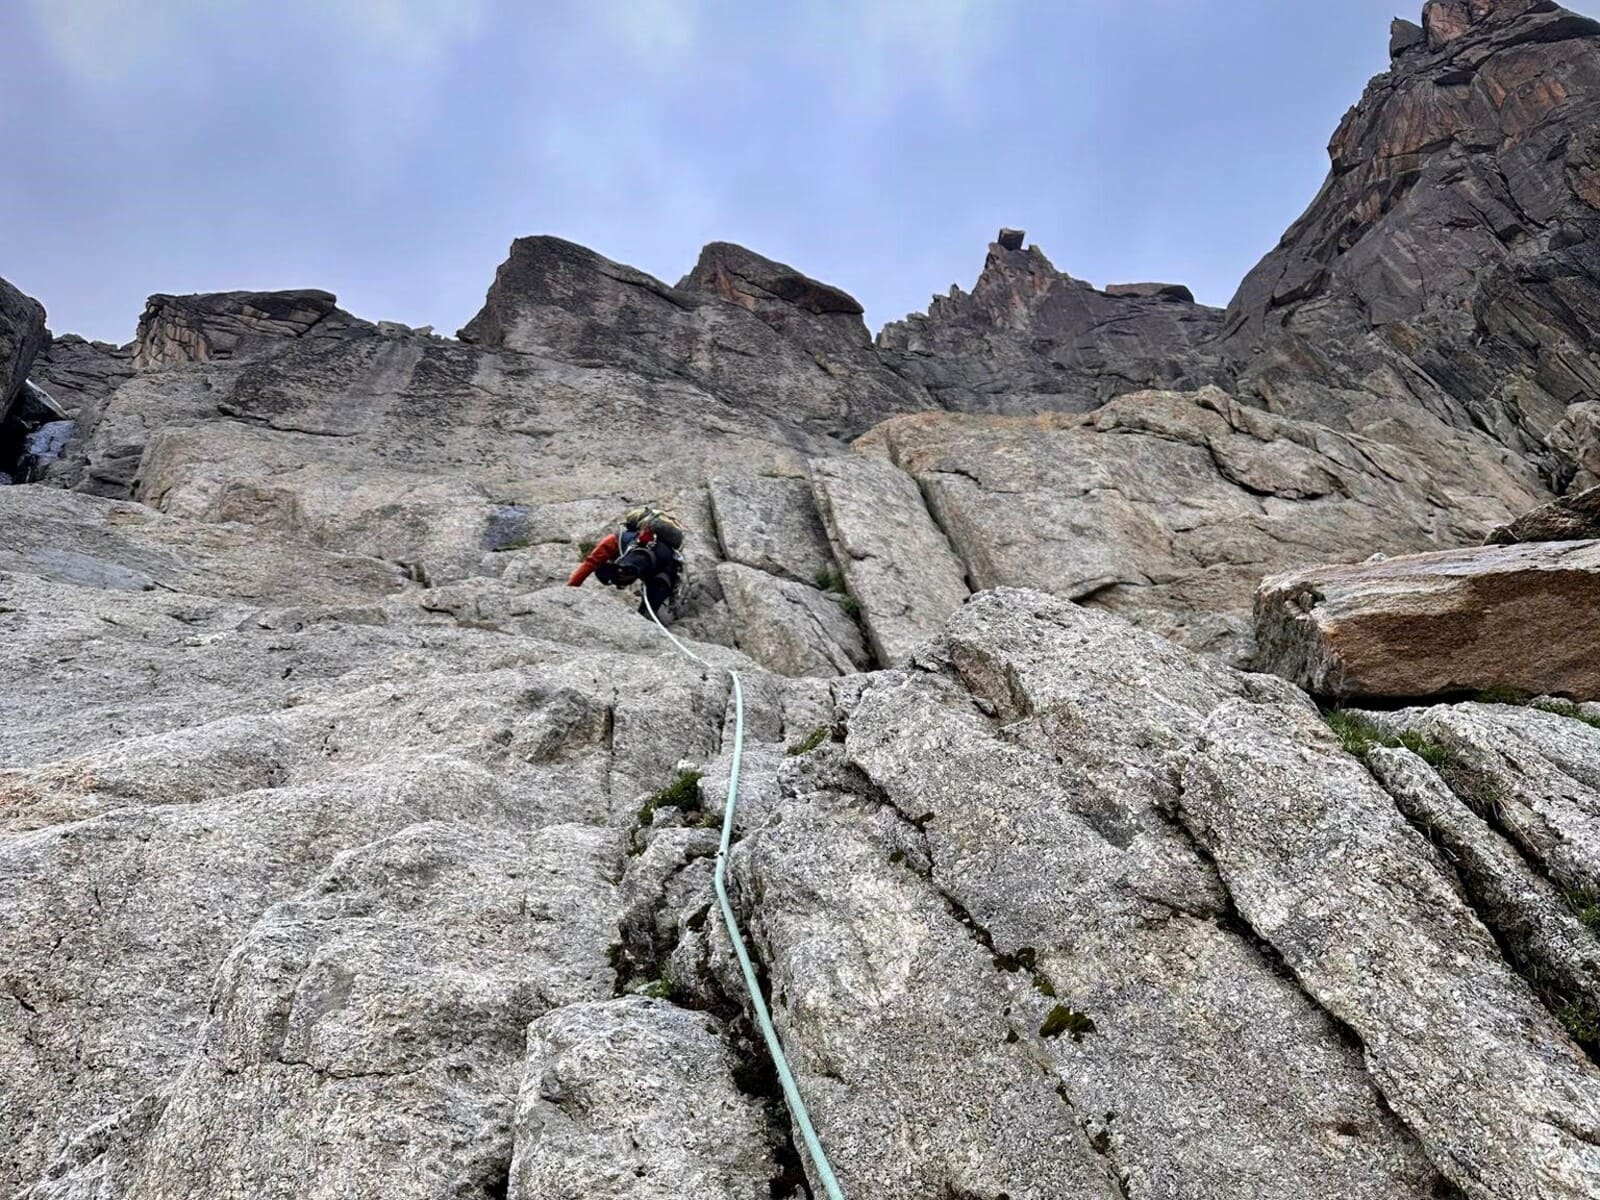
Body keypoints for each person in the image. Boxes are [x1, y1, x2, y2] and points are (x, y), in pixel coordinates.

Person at [567, 505, 685, 619]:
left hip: (639, 558)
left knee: (633, 561)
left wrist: (570, 588)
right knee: (660, 584)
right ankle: (648, 611)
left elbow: (591, 562)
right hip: (665, 565)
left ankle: (624, 571)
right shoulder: (668, 548)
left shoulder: (619, 538)